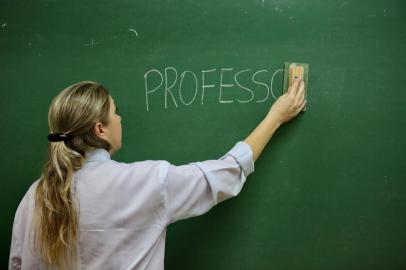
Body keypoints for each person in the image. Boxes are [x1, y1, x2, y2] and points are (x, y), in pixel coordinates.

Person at [9, 78, 306, 269]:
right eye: (115, 112)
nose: (120, 118)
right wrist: (275, 117)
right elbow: (228, 171)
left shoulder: (33, 197)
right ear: (100, 129)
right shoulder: (149, 182)